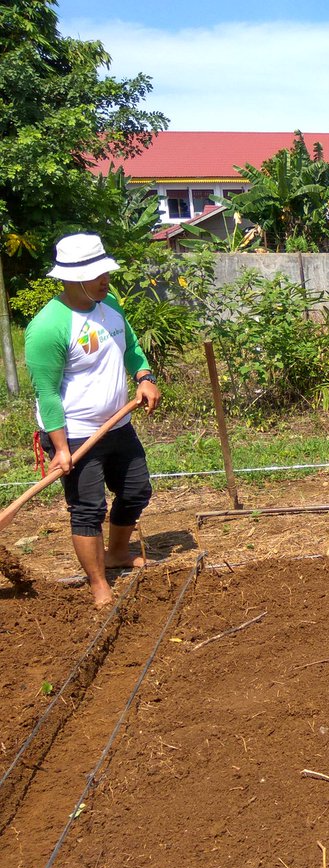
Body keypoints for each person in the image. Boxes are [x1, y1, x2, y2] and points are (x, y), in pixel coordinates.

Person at [24, 233, 161, 609]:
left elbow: (130, 346)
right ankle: (98, 582)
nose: (106, 279)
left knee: (136, 490)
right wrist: (62, 448)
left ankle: (116, 552)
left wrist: (144, 377)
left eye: (105, 271)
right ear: (70, 278)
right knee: (88, 509)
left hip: (118, 423)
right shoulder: (48, 327)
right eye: (97, 274)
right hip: (76, 434)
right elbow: (47, 395)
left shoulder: (109, 304)